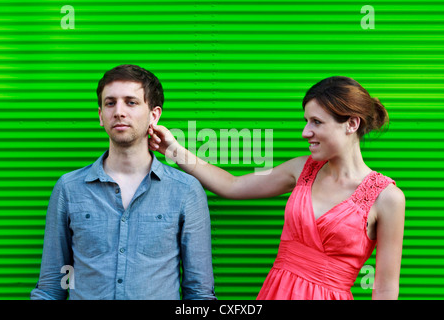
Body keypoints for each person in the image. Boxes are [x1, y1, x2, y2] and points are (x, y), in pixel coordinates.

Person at [148, 76, 405, 300]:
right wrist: (174, 150)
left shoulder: (387, 198)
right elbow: (232, 185)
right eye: (306, 121)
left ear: (352, 124)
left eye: (316, 122)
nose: (306, 132)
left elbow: (384, 289)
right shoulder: (301, 169)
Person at [31, 64, 216, 300]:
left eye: (131, 102)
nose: (119, 111)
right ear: (100, 115)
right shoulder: (69, 188)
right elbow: (50, 287)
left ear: (154, 115)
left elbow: (199, 294)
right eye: (110, 103)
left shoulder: (186, 190)